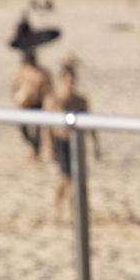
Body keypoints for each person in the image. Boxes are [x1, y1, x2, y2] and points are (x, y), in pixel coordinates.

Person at [44, 58, 94, 214]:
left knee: (77, 177)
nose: (70, 83)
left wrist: (96, 144)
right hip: (61, 141)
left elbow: (90, 122)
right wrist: (48, 146)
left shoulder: (80, 100)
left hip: (78, 142)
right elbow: (45, 126)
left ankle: (73, 210)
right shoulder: (54, 99)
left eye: (72, 80)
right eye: (67, 79)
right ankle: (58, 208)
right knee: (66, 178)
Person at [8, 18, 56, 162]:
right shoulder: (23, 71)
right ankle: (34, 149)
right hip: (26, 103)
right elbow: (15, 86)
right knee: (24, 129)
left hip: (37, 102)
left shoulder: (40, 72)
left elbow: (48, 87)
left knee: (39, 130)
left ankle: (36, 151)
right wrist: (17, 96)